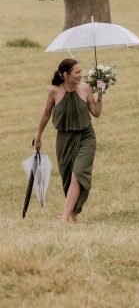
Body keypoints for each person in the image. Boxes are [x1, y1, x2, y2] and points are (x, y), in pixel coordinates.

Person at [34, 58, 105, 224]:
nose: (81, 75)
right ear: (65, 74)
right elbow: (46, 114)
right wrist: (38, 136)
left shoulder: (86, 89)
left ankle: (64, 217)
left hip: (86, 137)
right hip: (64, 139)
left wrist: (100, 94)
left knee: (78, 174)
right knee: (67, 176)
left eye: (81, 71)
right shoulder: (54, 91)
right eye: (77, 72)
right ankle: (73, 214)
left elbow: (96, 112)